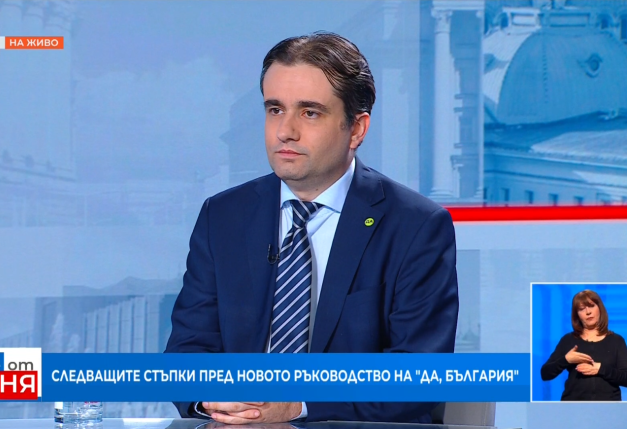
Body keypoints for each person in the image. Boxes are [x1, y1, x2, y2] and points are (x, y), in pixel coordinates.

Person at [165, 32, 459, 424]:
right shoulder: (223, 216)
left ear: (356, 129)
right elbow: (187, 351)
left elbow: (417, 376)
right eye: (275, 109)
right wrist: (213, 398)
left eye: (310, 113)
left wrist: (298, 405)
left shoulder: (416, 226)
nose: (285, 131)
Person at [540, 289, 627, 401]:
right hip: (573, 406)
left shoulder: (616, 341)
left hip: (608, 407)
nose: (588, 312)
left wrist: (600, 369)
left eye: (591, 306)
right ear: (577, 315)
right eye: (581, 309)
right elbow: (545, 374)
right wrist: (566, 360)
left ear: (600, 308)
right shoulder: (568, 340)